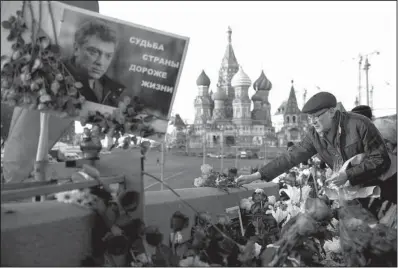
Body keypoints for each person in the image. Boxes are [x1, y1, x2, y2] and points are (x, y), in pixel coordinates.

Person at [236, 92, 391, 200]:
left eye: (317, 116)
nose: (313, 121)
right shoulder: (314, 135)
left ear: (331, 112)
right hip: (352, 195)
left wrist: (348, 174)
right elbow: (291, 157)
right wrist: (256, 175)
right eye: (310, 118)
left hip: (382, 191)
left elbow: (381, 159)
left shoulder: (359, 124)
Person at [64, 19, 126, 107]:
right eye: (93, 52)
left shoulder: (112, 90)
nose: (100, 62)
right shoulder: (55, 78)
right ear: (76, 49)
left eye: (108, 56)